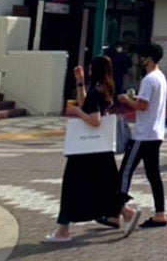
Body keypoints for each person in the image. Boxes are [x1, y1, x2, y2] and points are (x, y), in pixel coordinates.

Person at [44, 57, 137, 243]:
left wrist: (76, 112)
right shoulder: (105, 88)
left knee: (72, 186)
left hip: (86, 151)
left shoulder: (96, 91)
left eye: (90, 68)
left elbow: (95, 120)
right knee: (102, 187)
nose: (88, 70)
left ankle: (63, 231)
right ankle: (126, 212)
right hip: (100, 150)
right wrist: (80, 82)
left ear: (96, 70)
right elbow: (85, 103)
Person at [112, 43, 167, 230]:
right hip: (156, 133)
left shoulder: (148, 79)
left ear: (148, 59)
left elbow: (143, 106)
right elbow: (148, 103)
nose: (139, 60)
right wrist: (135, 99)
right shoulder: (161, 77)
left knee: (125, 172)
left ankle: (118, 212)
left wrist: (125, 100)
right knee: (153, 174)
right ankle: (160, 213)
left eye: (142, 57)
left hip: (143, 135)